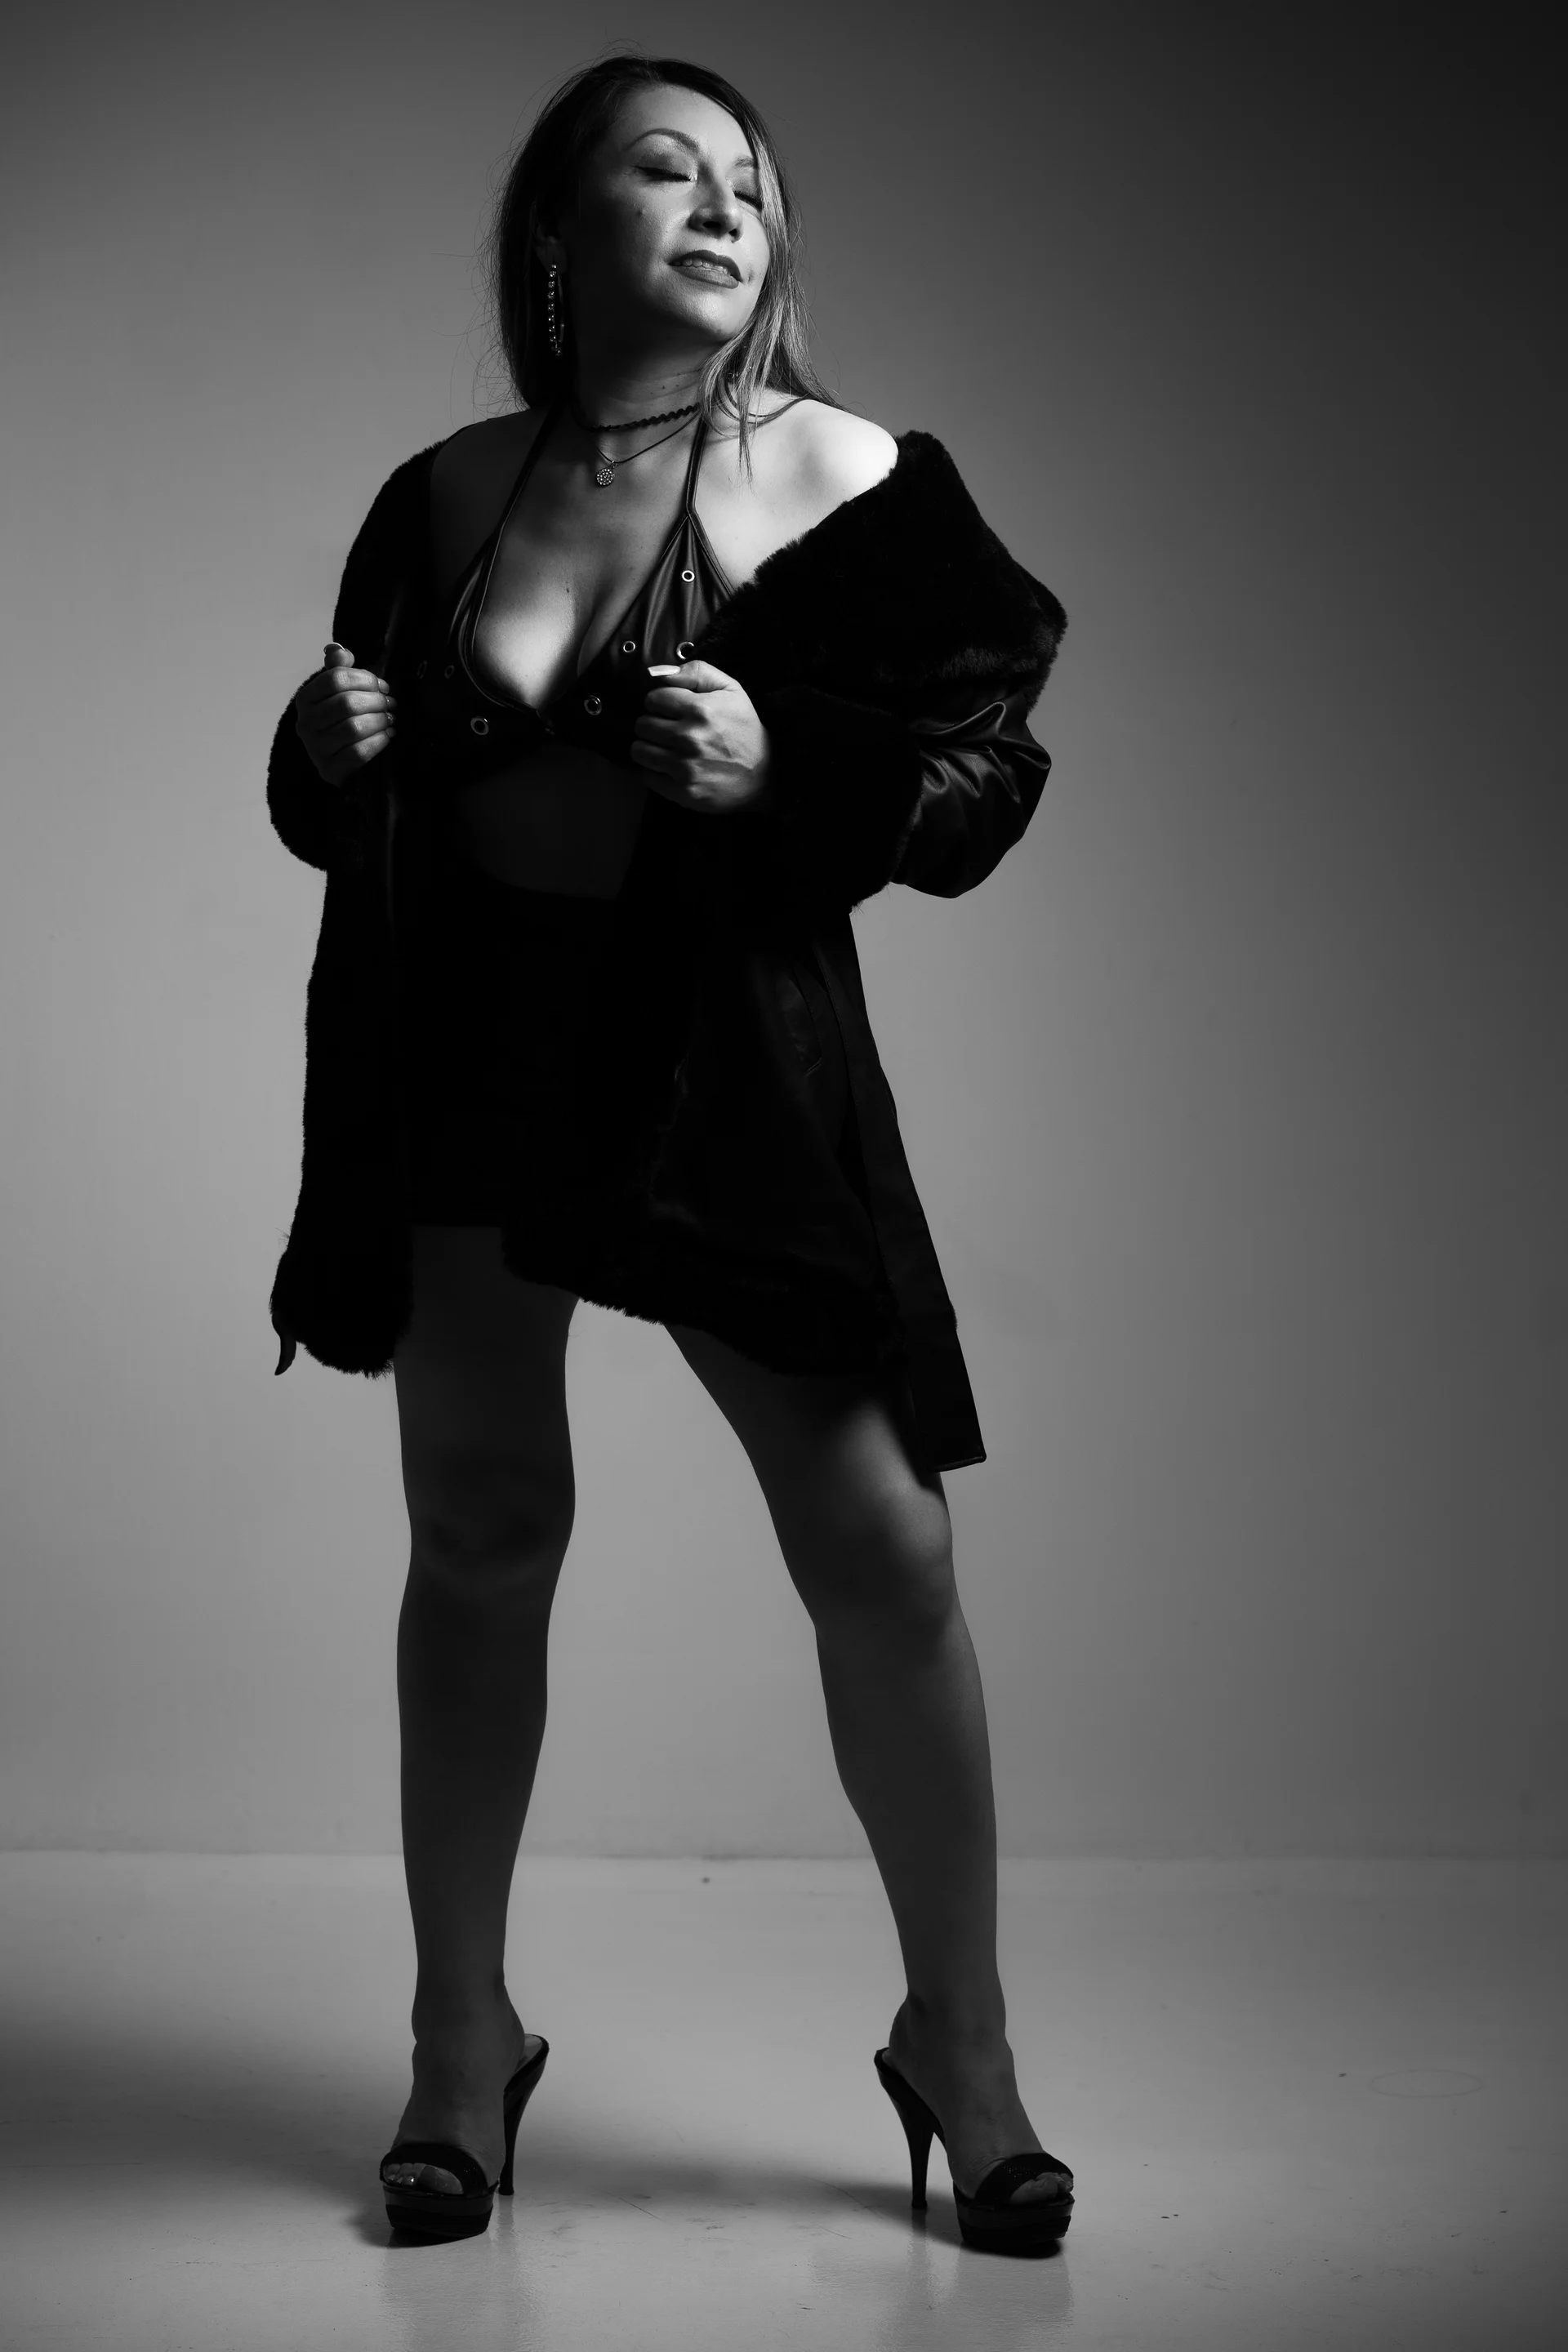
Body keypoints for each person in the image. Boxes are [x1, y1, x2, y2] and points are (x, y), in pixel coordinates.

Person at [266, 52, 1073, 2253]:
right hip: (464, 1052)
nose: (727, 207)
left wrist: (786, 763)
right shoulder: (448, 488)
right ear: (560, 228)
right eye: (667, 168)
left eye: (754, 184)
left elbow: (986, 775)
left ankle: (963, 2048)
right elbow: (360, 786)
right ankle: (460, 2042)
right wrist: (320, 752)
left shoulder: (852, 474)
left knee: (881, 1545)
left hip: (712, 1070)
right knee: (481, 1525)